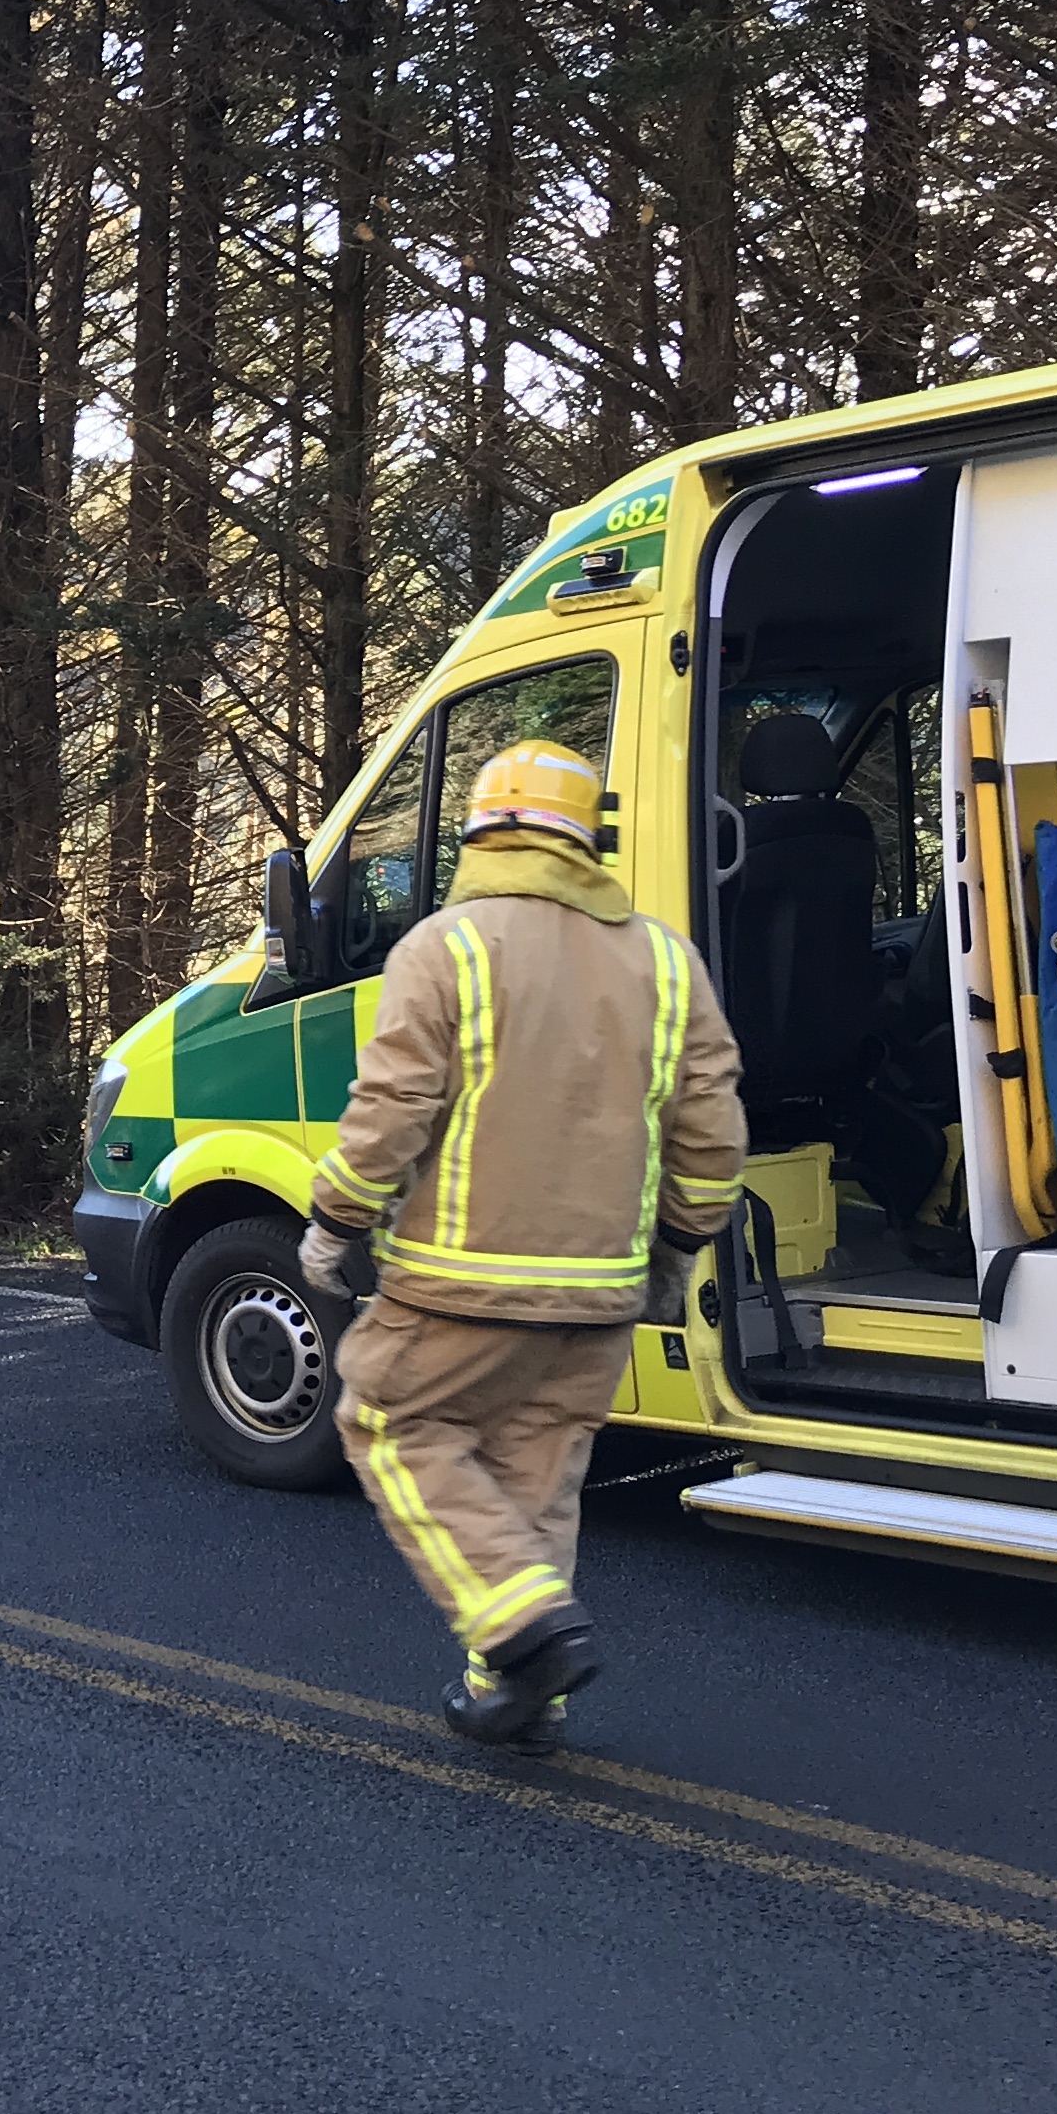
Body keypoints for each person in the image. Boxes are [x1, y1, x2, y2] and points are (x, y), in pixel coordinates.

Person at [297, 742, 743, 1753]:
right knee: (534, 1475)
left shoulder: (446, 948)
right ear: (590, 842)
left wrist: (336, 1222)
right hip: (600, 1295)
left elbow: (392, 1110)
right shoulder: (666, 961)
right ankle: (521, 1694)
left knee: (386, 1425)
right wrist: (679, 1244)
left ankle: (518, 1627)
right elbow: (711, 1133)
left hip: (460, 1279)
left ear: (480, 834)